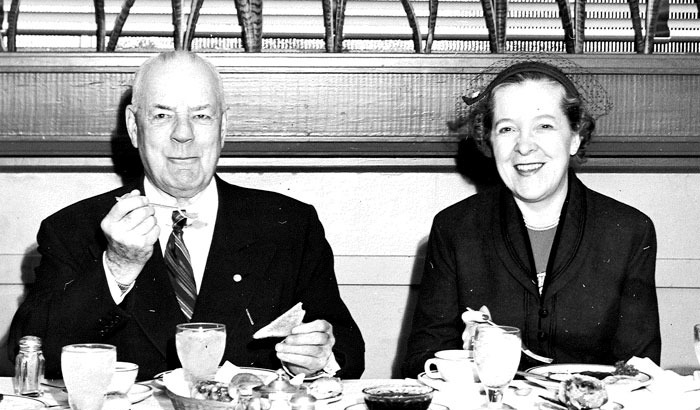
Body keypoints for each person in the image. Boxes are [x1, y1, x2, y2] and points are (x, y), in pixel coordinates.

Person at [9, 51, 365, 380]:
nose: (183, 134)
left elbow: (347, 350)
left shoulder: (289, 224)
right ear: (134, 127)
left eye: (201, 116)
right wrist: (117, 268)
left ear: (223, 127)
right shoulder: (73, 229)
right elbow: (28, 355)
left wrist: (317, 359)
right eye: (162, 115)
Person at [402, 60, 660, 377]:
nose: (524, 146)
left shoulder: (629, 231)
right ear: (489, 140)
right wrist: (465, 359)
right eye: (507, 129)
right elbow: (418, 366)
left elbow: (640, 369)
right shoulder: (454, 229)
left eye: (544, 126)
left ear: (575, 137)